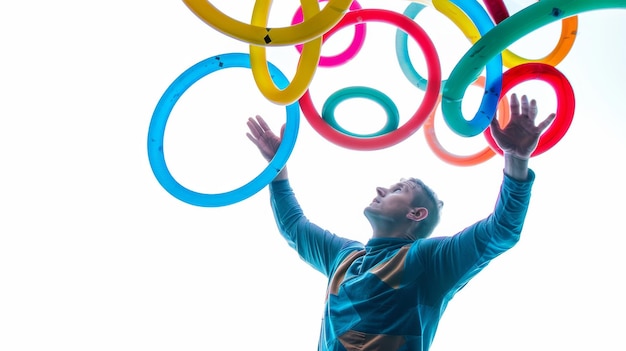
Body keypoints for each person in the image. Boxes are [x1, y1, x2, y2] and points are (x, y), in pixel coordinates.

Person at [246, 94, 555, 351]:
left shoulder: (428, 260)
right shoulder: (345, 257)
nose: (381, 189)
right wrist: (277, 166)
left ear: (416, 214)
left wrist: (516, 158)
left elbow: (501, 231)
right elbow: (293, 226)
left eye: (397, 190)